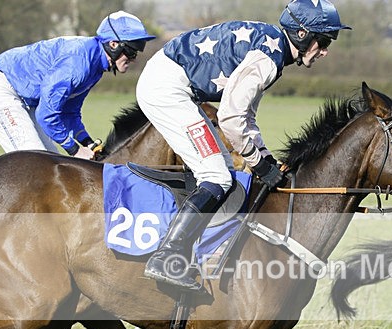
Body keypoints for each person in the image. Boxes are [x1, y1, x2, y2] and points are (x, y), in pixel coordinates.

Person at [137, 0, 351, 290]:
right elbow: (230, 117)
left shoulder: (273, 48)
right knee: (216, 176)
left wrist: (266, 160)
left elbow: (246, 118)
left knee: (222, 170)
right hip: (166, 88)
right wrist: (259, 164)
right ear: (302, 34)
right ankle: (167, 256)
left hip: (172, 82)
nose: (325, 50)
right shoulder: (268, 57)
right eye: (323, 41)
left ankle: (192, 246)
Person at [0, 11, 155, 159]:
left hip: (25, 99)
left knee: (51, 161)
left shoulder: (96, 66)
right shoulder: (79, 63)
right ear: (113, 44)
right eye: (132, 51)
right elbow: (46, 114)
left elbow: (69, 112)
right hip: (1, 92)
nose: (134, 58)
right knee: (34, 161)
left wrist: (86, 142)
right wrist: (75, 151)